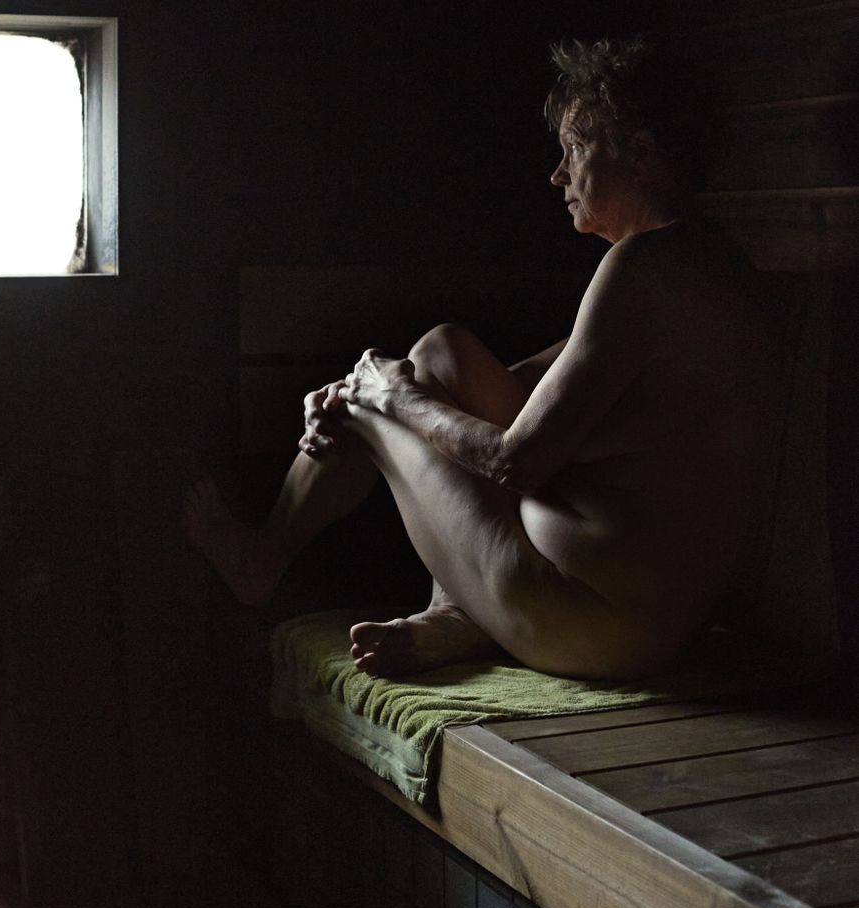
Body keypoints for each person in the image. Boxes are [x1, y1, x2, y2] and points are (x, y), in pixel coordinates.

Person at [183, 38, 777, 681]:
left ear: (639, 154)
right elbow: (523, 394)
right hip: (630, 620)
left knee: (382, 398)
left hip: (585, 621)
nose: (558, 175)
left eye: (575, 149)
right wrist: (371, 389)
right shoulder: (708, 260)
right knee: (442, 351)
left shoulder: (640, 269)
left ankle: (267, 561)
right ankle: (458, 614)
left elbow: (517, 461)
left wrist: (387, 399)